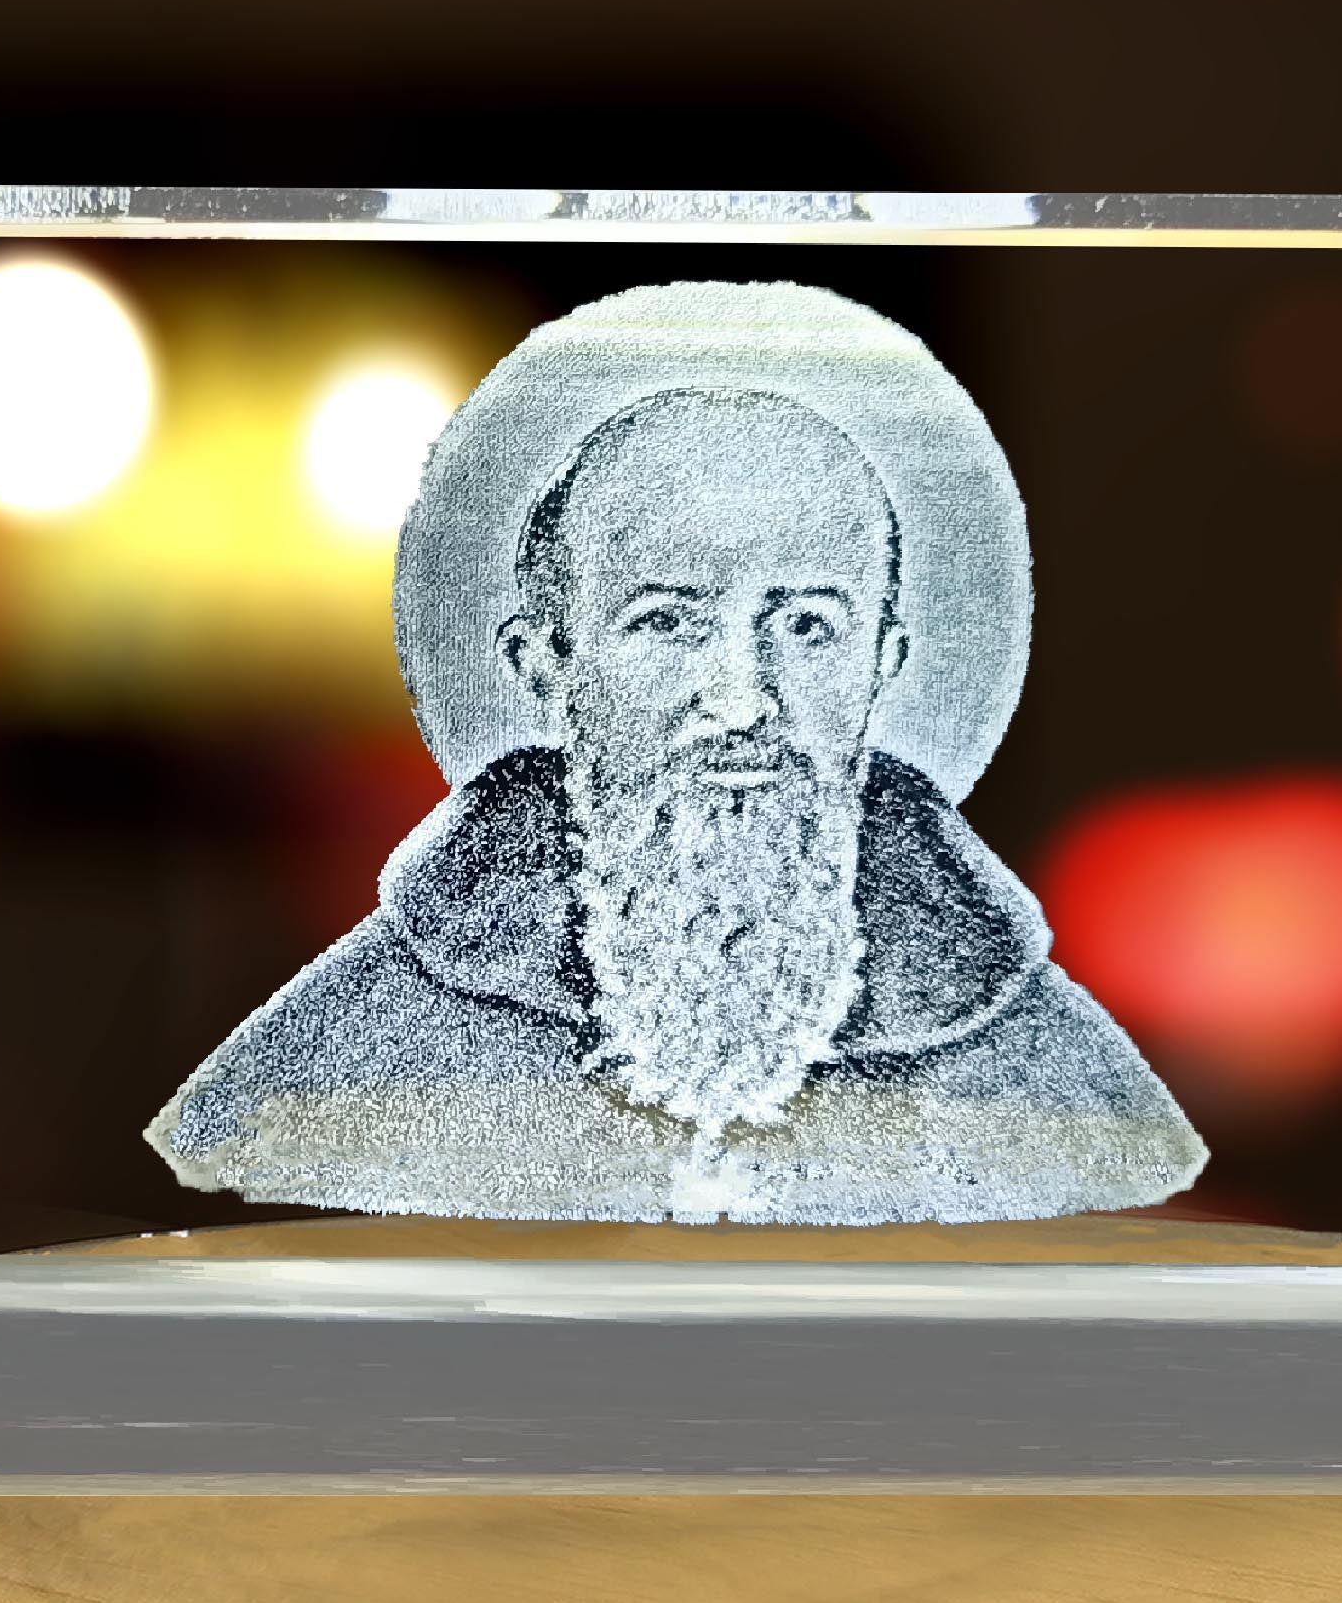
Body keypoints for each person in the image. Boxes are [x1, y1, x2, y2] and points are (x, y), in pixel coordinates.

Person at [148, 380, 1204, 1222]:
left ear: (883, 661)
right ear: (546, 662)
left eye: (806, 627)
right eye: (668, 623)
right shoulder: (344, 1055)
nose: (743, 701)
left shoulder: (1048, 1074)